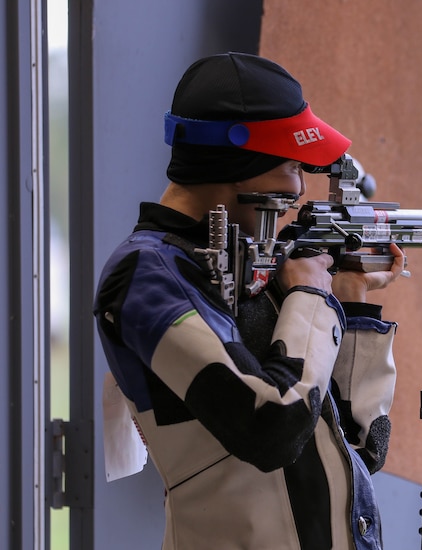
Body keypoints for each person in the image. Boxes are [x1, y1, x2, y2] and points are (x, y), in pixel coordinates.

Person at [93, 52, 405, 550]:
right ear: (241, 162)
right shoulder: (145, 277)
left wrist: (351, 306)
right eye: (289, 165)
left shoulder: (246, 266)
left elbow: (357, 449)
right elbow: (272, 426)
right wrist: (308, 297)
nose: (299, 188)